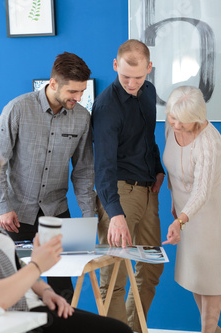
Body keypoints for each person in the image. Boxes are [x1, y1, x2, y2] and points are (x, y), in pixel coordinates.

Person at [0, 142, 132, 333]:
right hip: (18, 318)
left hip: (30, 306)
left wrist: (45, 291)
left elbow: (12, 266)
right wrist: (38, 265)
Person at [0, 52, 96, 302]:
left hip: (56, 213)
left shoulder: (82, 118)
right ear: (53, 83)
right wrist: (3, 207)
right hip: (15, 216)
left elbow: (83, 171)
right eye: (73, 92)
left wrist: (88, 215)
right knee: (14, 285)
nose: (78, 98)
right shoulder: (18, 108)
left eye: (82, 92)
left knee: (62, 288)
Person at [91, 39, 165, 332]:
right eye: (125, 77)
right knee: (115, 275)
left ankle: (135, 328)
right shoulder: (107, 106)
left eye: (138, 77)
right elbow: (103, 165)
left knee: (151, 266)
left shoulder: (148, 92)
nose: (132, 83)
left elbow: (148, 138)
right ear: (115, 66)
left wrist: (157, 169)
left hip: (148, 191)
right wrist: (115, 213)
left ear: (149, 68)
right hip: (119, 193)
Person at [162, 86, 221, 333]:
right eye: (173, 117)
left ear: (198, 118)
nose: (176, 125)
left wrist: (181, 220)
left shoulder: (209, 141)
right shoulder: (171, 125)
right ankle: (213, 330)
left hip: (209, 213)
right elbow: (172, 166)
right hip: (183, 212)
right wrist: (173, 200)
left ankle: (208, 331)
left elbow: (201, 191)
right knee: (195, 275)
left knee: (210, 279)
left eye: (183, 121)